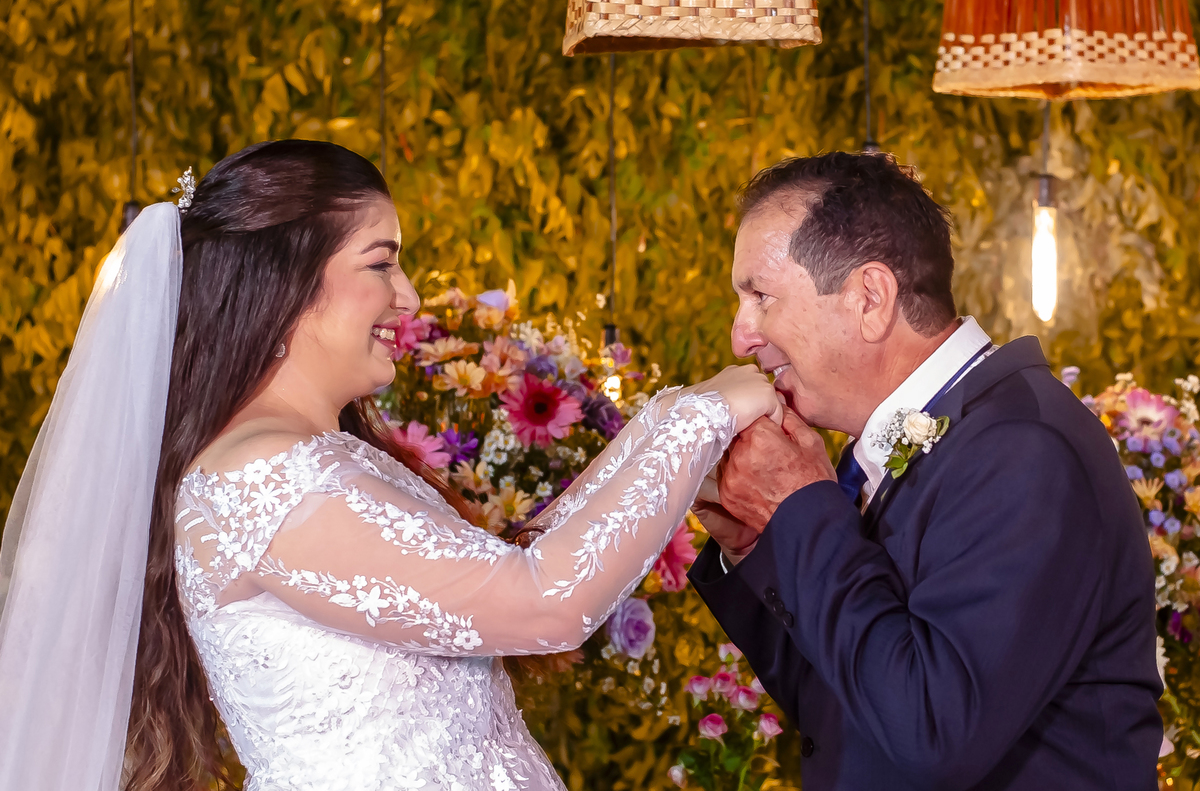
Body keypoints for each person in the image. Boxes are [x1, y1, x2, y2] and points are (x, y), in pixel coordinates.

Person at [0, 140, 782, 791]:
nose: (407, 298)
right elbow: (544, 604)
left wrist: (673, 459)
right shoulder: (263, 479)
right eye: (382, 264)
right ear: (289, 285)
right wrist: (698, 412)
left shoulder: (305, 459)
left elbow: (507, 570)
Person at [689, 152, 1163, 790]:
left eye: (760, 297)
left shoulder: (1025, 451)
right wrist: (757, 543)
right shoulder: (904, 442)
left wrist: (798, 508)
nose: (740, 336)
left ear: (871, 299)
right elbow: (846, 705)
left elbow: (933, 732)